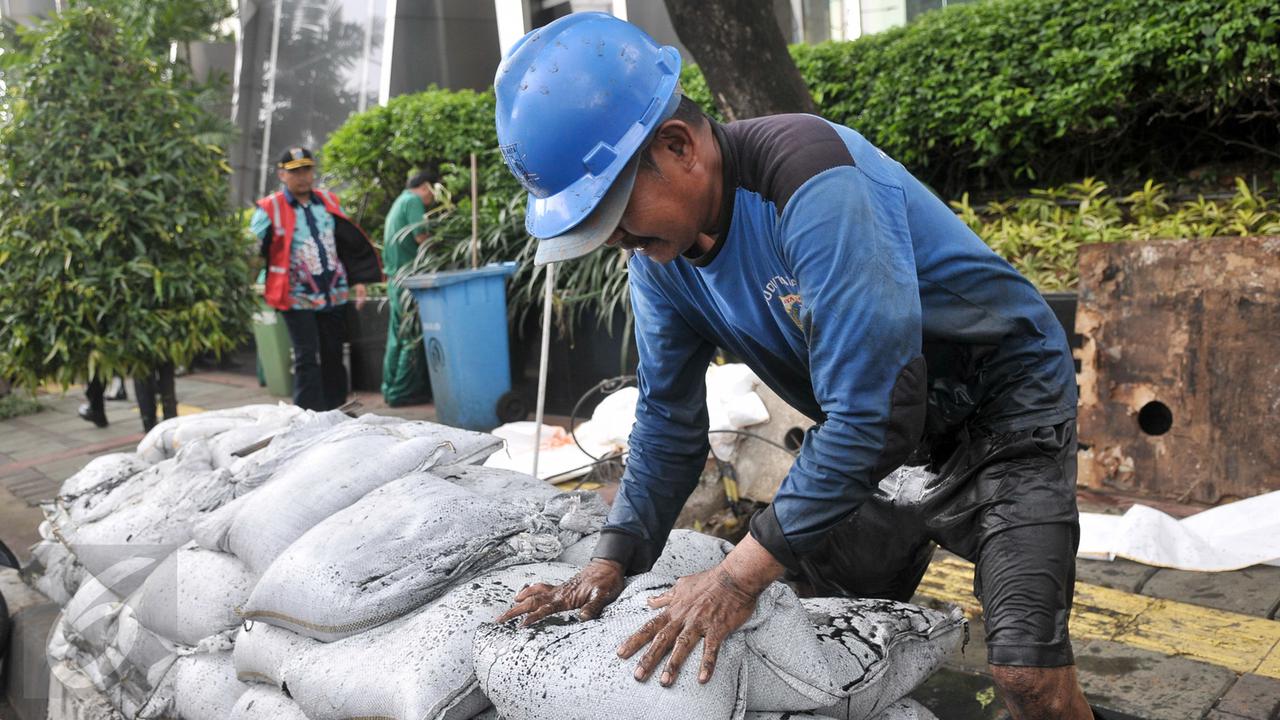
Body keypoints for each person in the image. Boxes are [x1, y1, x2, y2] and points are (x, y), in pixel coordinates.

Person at [493, 14, 1093, 720]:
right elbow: (666, 421)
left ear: (679, 146)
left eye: (616, 214)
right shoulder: (662, 260)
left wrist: (734, 577)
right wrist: (612, 558)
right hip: (884, 434)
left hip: (1003, 410)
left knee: (1026, 673)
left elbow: (875, 412)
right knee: (818, 634)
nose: (616, 242)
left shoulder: (811, 182)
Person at [250, 147, 382, 412]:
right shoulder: (270, 208)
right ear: (282, 174)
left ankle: (338, 413)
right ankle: (307, 417)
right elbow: (253, 250)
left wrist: (358, 281)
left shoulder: (329, 201)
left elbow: (346, 244)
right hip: (296, 296)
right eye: (295, 171)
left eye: (306, 170)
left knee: (334, 355)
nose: (302, 177)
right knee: (306, 357)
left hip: (334, 292)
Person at [379, 169, 437, 407]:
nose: (432, 198)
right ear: (425, 186)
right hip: (410, 278)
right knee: (411, 337)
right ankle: (403, 393)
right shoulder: (413, 201)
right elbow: (421, 236)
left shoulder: (398, 201)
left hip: (395, 279)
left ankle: (390, 389)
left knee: (397, 336)